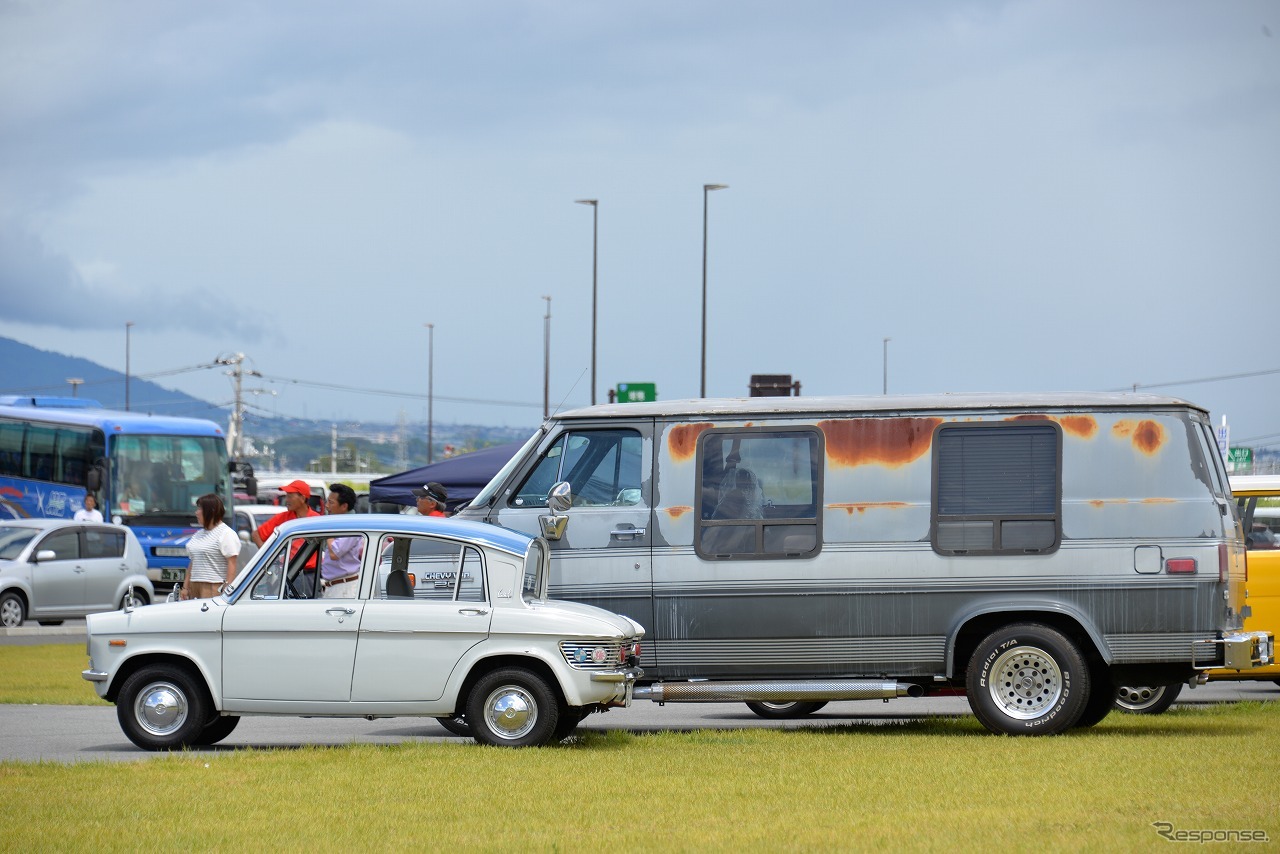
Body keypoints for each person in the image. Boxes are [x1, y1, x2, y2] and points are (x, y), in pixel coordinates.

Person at [253, 479, 322, 593]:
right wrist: (269, 555)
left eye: (290, 496)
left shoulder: (317, 520)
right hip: (287, 573)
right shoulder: (283, 517)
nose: (287, 500)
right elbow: (256, 535)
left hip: (310, 575)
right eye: (286, 496)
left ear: (303, 498)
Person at [181, 493, 239, 599]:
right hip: (195, 585)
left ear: (211, 511)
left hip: (213, 586)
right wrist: (185, 587)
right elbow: (193, 562)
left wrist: (228, 588)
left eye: (199, 509)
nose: (196, 513)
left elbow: (232, 563)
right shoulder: (198, 534)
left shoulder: (226, 533)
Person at [321, 483, 363, 598]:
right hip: (336, 585)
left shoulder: (351, 525)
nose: (327, 506)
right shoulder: (340, 523)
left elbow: (334, 553)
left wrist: (327, 530)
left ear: (344, 506)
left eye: (331, 502)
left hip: (344, 587)